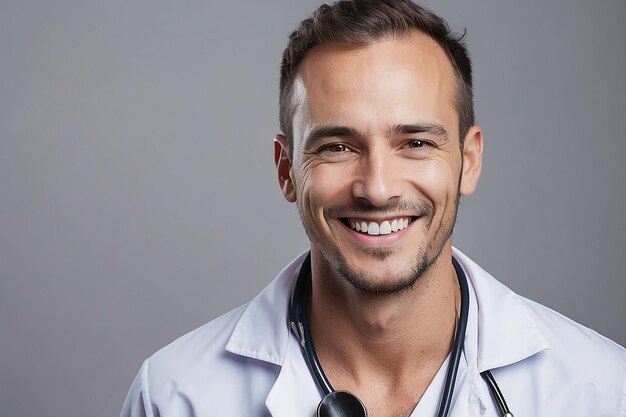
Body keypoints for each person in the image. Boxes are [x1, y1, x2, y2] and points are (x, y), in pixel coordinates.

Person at [120, 1, 626, 416]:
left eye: (416, 143)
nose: (378, 189)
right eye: (337, 147)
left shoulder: (600, 392)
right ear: (286, 170)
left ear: (468, 162)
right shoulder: (175, 397)